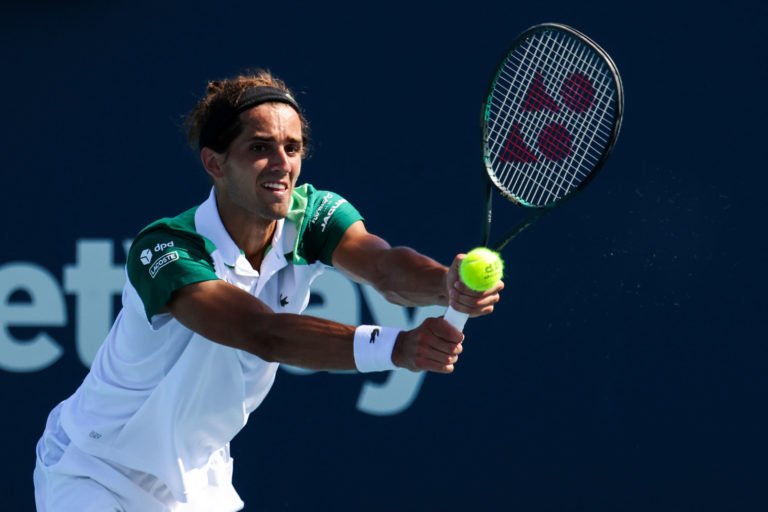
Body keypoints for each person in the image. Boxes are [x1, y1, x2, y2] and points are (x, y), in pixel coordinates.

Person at [33, 69, 504, 511]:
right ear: (215, 163)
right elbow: (261, 333)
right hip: (93, 471)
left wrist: (444, 283)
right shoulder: (167, 248)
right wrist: (396, 348)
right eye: (260, 147)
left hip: (199, 483)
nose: (282, 164)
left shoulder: (310, 216)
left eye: (292, 148)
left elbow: (384, 267)